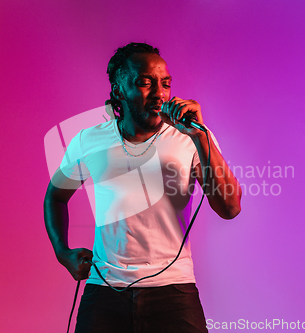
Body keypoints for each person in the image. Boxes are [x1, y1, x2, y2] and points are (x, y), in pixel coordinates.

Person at [44, 42, 241, 333]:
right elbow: (56, 196)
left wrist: (200, 138)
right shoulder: (89, 140)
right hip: (105, 290)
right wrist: (63, 252)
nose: (159, 93)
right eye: (145, 83)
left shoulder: (191, 137)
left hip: (173, 291)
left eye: (165, 84)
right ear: (118, 91)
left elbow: (230, 208)